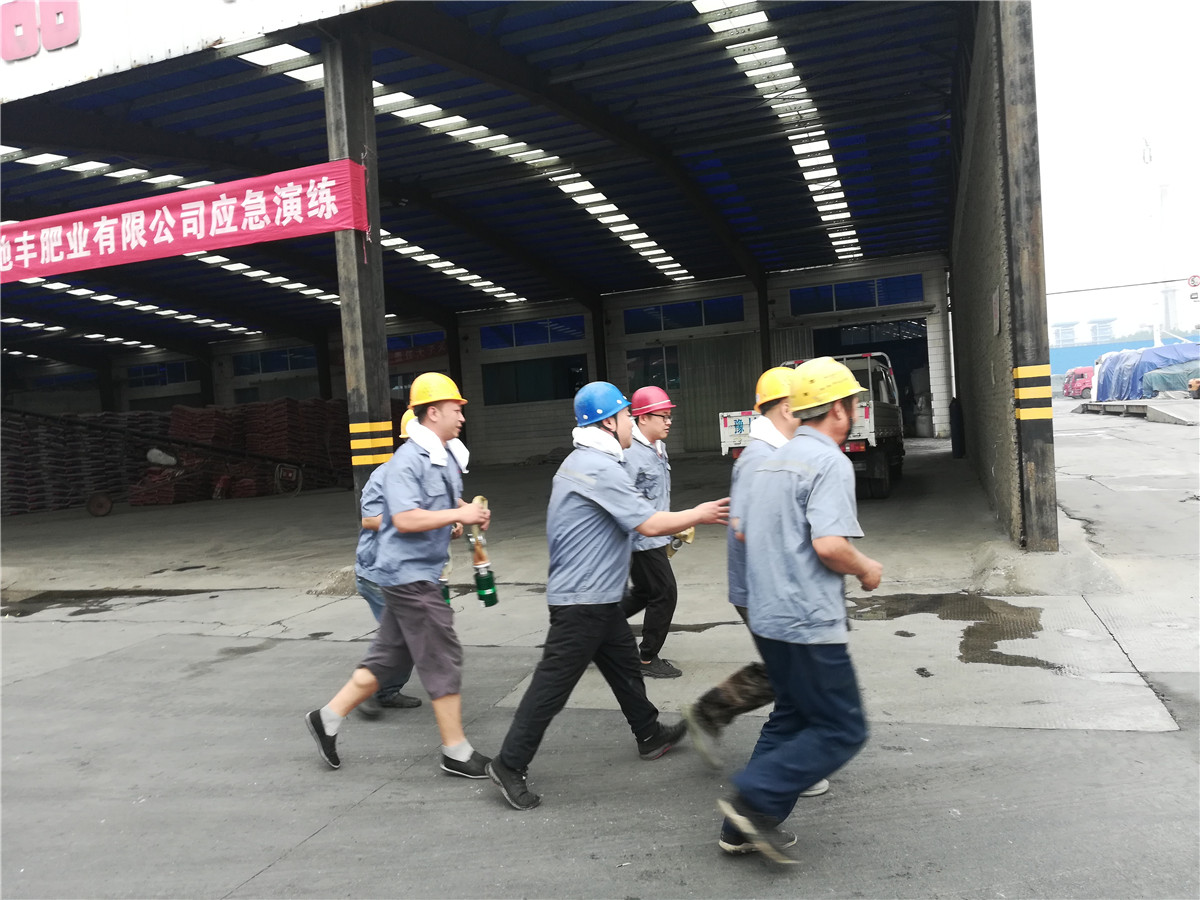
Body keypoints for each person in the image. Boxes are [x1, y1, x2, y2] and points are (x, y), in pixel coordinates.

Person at [486, 381, 730, 811]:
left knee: (624, 667)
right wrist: (699, 513)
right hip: (581, 601)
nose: (630, 423)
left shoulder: (582, 461)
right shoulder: (599, 467)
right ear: (608, 423)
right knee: (551, 688)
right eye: (625, 417)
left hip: (598, 596)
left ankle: (649, 734)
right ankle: (509, 763)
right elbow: (647, 523)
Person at [715, 357, 884, 864]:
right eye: (852, 404)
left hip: (768, 615)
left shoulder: (770, 460)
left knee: (792, 717)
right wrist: (866, 568)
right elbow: (830, 545)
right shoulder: (828, 462)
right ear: (838, 409)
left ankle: (740, 829)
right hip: (808, 620)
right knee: (842, 729)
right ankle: (751, 798)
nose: (853, 412)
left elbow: (741, 529)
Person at [306, 373, 492, 779]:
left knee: (389, 655)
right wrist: (457, 514)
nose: (462, 416)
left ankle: (327, 718)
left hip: (418, 571)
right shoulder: (407, 461)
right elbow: (405, 518)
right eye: (456, 409)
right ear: (433, 412)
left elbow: (444, 506)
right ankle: (455, 751)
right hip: (408, 575)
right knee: (442, 655)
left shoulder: (443, 457)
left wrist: (468, 513)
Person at [681, 368, 823, 804]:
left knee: (792, 671)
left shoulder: (774, 452)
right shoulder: (761, 459)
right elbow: (748, 529)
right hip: (766, 588)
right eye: (807, 407)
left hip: (772, 585)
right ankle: (780, 768)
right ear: (787, 408)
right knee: (798, 675)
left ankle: (711, 713)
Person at [355, 408, 423, 719]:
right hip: (377, 571)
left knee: (407, 634)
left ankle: (385, 690)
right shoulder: (384, 474)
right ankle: (368, 690)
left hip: (403, 571)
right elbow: (370, 519)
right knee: (398, 636)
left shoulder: (422, 475)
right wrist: (410, 522)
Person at [620, 385, 683, 678]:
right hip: (642, 538)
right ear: (643, 418)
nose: (669, 422)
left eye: (670, 416)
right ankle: (646, 658)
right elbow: (623, 500)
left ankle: (593, 630)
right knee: (665, 593)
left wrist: (673, 525)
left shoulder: (657, 446)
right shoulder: (630, 453)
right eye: (663, 416)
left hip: (657, 533)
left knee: (645, 592)